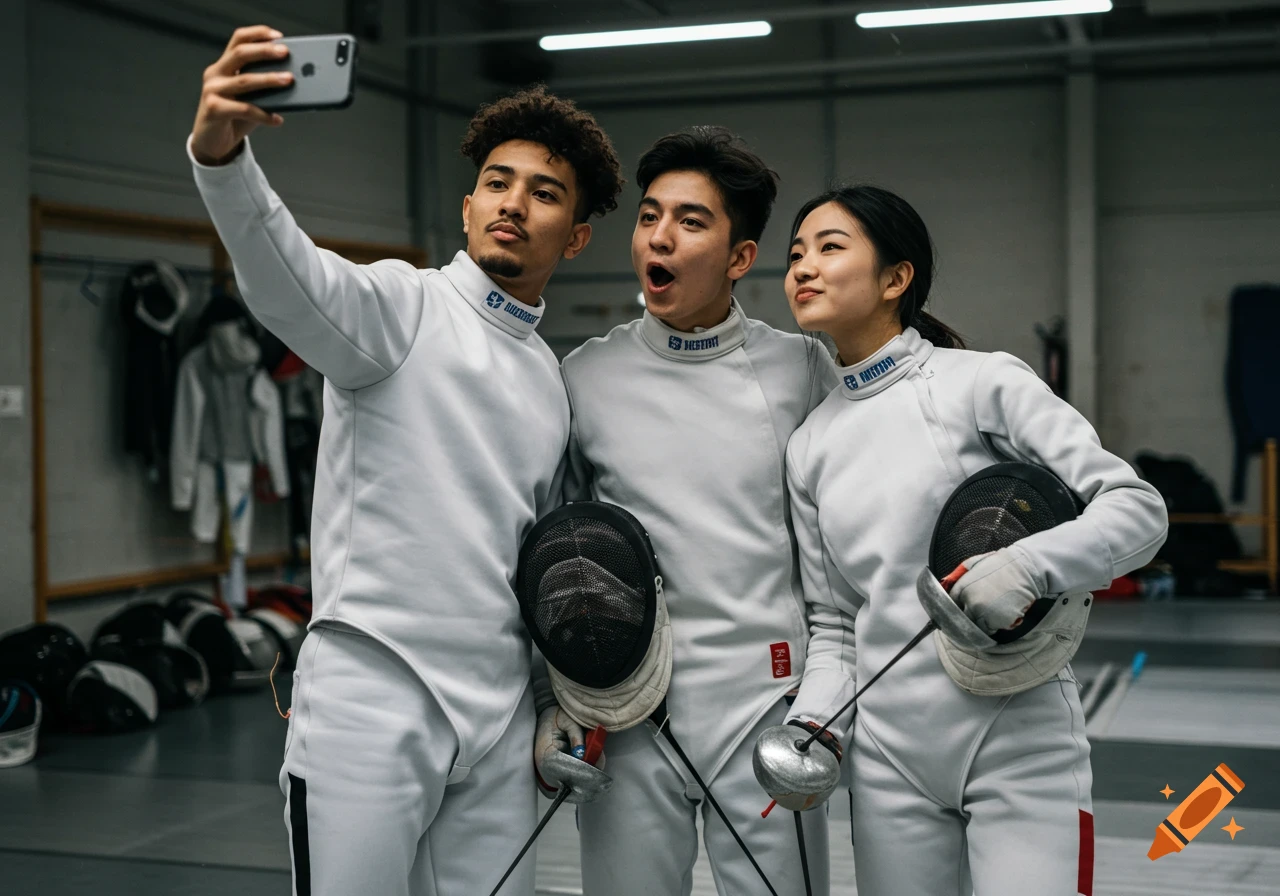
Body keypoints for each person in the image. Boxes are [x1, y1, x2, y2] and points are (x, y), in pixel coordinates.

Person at [188, 26, 623, 896]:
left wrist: (547, 705)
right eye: (496, 182)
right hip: (371, 695)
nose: (513, 203)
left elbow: (538, 560)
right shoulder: (401, 309)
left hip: (499, 719)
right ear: (466, 208)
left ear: (574, 238)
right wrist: (223, 161)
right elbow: (289, 279)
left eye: (543, 193)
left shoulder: (548, 377)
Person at [778, 184, 1168, 895]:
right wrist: (814, 720)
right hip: (890, 757)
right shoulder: (810, 445)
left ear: (896, 278)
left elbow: (1137, 509)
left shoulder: (981, 383)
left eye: (830, 248)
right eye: (796, 253)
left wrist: (1030, 564)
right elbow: (836, 621)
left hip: (1017, 734)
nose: (804, 266)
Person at [532, 126, 840, 895]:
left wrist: (824, 701)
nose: (659, 238)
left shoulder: (802, 369)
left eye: (691, 221)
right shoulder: (585, 376)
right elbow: (551, 548)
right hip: (628, 711)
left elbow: (846, 546)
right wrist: (551, 697)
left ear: (740, 258)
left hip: (769, 702)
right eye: (649, 216)